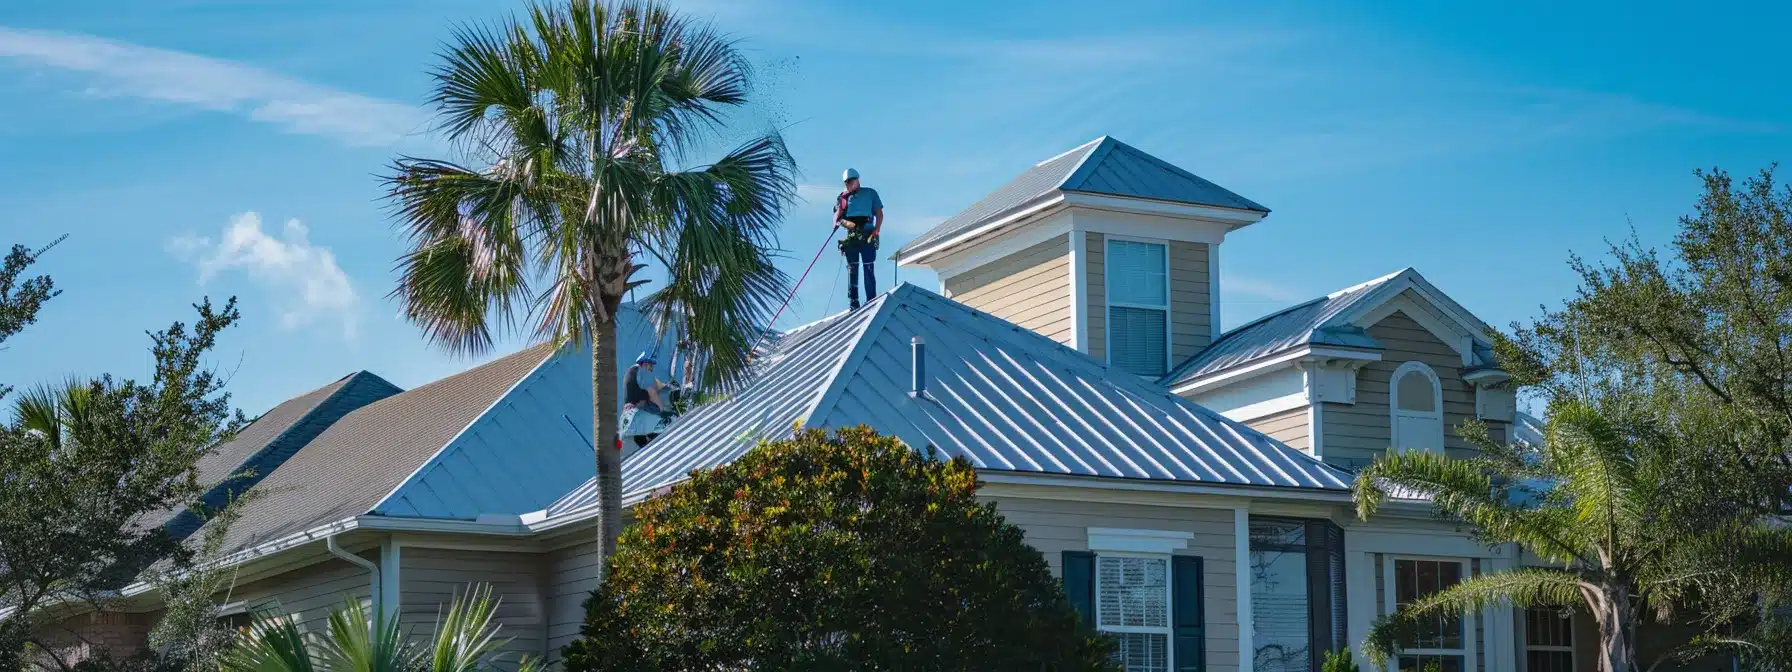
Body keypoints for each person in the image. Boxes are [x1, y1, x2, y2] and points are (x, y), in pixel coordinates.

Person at [834, 167, 884, 310]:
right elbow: (838, 218)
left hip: (868, 233)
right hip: (852, 235)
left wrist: (876, 231)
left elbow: (879, 213)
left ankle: (871, 299)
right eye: (846, 182)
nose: (849, 184)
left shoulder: (870, 193)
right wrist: (848, 224)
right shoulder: (843, 198)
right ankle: (854, 302)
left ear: (857, 180)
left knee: (868, 266)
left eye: (851, 181)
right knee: (853, 268)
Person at [624, 352, 671, 418]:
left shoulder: (634, 370)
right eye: (651, 366)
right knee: (664, 398)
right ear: (644, 364)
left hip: (629, 407)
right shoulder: (642, 372)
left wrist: (666, 386)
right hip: (639, 405)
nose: (652, 369)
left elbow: (656, 383)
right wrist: (663, 410)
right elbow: (651, 391)